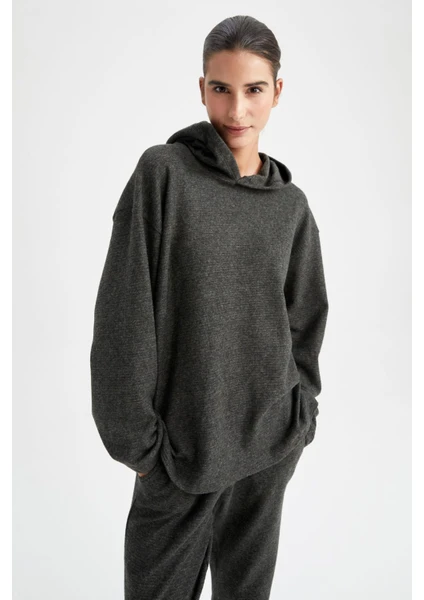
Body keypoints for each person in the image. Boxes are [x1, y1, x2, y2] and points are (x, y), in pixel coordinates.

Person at [90, 14, 329, 600]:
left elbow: (305, 319)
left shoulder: (290, 207)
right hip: (180, 455)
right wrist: (140, 448)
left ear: (277, 91)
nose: (236, 109)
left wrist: (300, 414)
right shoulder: (163, 175)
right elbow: (123, 312)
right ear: (202, 89)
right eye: (221, 88)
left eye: (254, 89)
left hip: (268, 447)